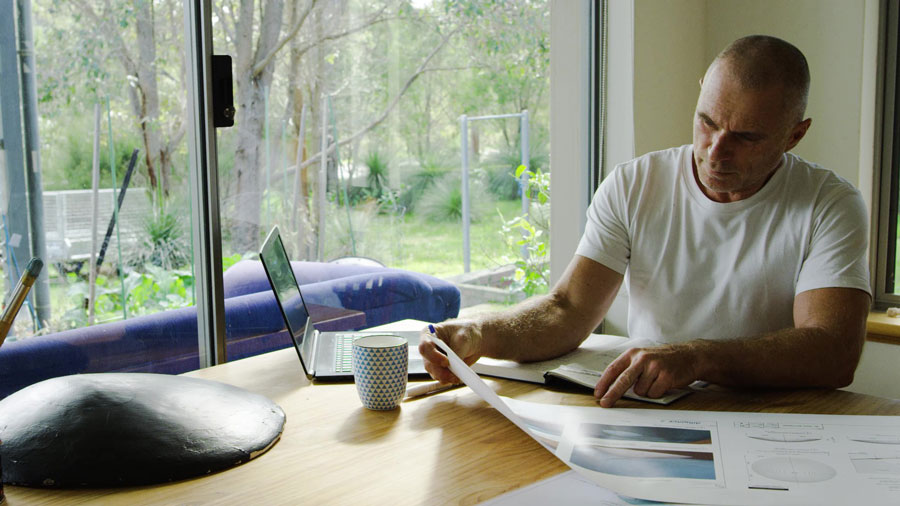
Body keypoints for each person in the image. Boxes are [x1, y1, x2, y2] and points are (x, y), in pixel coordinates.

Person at [418, 35, 872, 407]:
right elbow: (569, 310)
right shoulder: (636, 184)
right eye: (707, 122)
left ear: (795, 134)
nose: (716, 150)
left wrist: (697, 358)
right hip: (649, 410)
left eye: (746, 137)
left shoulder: (829, 204)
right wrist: (482, 332)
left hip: (778, 419)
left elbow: (832, 351)